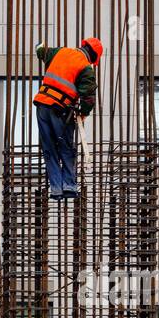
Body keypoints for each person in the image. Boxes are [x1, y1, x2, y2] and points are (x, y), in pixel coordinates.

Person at [31, 37, 103, 199]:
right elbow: (89, 97)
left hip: (42, 106)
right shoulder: (85, 68)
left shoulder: (60, 52)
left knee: (49, 149)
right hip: (60, 110)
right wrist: (83, 113)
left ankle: (56, 189)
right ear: (93, 56)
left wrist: (40, 44)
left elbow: (40, 49)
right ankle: (69, 186)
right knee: (66, 148)